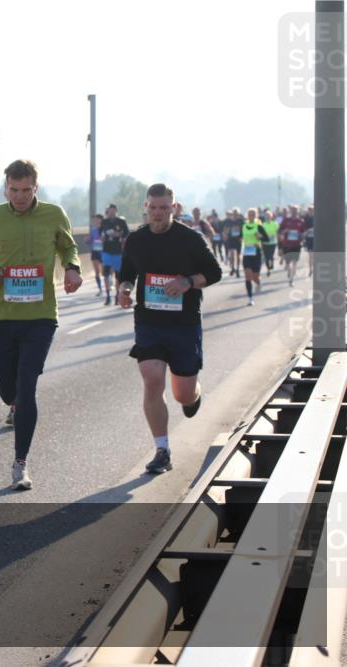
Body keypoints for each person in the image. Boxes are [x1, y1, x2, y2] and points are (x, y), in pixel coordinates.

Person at [0, 160, 82, 490]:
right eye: (13, 190)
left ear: (36, 188)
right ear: (6, 188)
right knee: (8, 390)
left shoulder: (54, 214)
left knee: (27, 385)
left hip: (41, 316)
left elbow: (69, 246)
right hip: (2, 316)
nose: (19, 196)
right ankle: (12, 401)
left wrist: (72, 268)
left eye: (25, 190)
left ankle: (20, 464)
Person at [117, 183, 222, 474]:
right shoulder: (136, 239)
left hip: (184, 323)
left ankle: (194, 395)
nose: (159, 213)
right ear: (145, 207)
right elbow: (127, 274)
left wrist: (187, 282)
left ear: (173, 208)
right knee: (152, 381)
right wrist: (124, 289)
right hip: (149, 322)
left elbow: (215, 272)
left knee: (183, 395)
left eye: (165, 208)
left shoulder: (190, 238)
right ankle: (162, 449)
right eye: (154, 207)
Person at [99, 204, 130, 306]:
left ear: (116, 211)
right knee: (106, 274)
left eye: (113, 210)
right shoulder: (104, 222)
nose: (111, 212)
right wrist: (103, 237)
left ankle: (117, 295)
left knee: (118, 276)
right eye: (110, 210)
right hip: (107, 251)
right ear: (108, 211)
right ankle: (108, 296)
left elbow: (127, 234)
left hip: (118, 252)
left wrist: (120, 237)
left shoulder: (121, 221)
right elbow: (100, 235)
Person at [240, 208, 269, 306]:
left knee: (255, 277)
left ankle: (259, 282)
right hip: (247, 253)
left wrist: (259, 236)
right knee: (248, 275)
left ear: (255, 215)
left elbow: (267, 239)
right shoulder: (243, 226)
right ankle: (250, 298)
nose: (251, 216)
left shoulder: (259, 226)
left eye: (253, 214)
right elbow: (239, 236)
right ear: (247, 215)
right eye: (249, 214)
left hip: (256, 252)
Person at [279, 204, 308, 286]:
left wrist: (301, 235)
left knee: (294, 262)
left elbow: (304, 232)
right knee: (288, 263)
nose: (294, 212)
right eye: (292, 210)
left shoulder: (300, 221)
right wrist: (285, 231)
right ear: (290, 211)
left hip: (296, 244)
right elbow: (280, 231)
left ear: (297, 211)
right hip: (287, 244)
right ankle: (289, 271)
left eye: (295, 210)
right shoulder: (286, 220)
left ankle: (291, 279)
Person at [222, 208, 244, 277]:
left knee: (238, 255)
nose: (235, 215)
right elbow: (225, 229)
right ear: (232, 214)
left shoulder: (241, 221)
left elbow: (244, 229)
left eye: (236, 214)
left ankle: (237, 269)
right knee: (231, 253)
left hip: (238, 239)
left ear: (238, 214)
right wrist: (225, 235)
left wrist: (242, 237)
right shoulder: (228, 221)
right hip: (230, 239)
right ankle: (232, 268)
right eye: (234, 214)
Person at [89, 213, 105, 297]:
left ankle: (109, 284)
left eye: (96, 219)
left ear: (101, 220)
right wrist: (88, 241)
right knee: (96, 271)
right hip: (95, 251)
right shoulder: (93, 230)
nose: (95, 221)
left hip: (103, 252)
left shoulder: (104, 229)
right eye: (94, 220)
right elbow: (90, 241)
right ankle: (100, 289)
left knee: (104, 272)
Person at [260, 209, 280, 277]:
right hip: (265, 243)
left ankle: (272, 263)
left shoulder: (275, 224)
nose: (268, 217)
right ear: (265, 217)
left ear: (271, 216)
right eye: (266, 216)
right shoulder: (263, 224)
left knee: (271, 255)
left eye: (269, 216)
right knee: (266, 257)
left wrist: (278, 239)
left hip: (273, 242)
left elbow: (277, 232)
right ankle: (268, 269)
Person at [304, 204, 315, 277]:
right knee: (310, 255)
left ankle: (313, 268)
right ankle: (310, 269)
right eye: (309, 210)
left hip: (315, 238)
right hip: (308, 239)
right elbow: (303, 228)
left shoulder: (316, 217)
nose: (310, 212)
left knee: (314, 255)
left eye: (312, 210)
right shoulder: (305, 218)